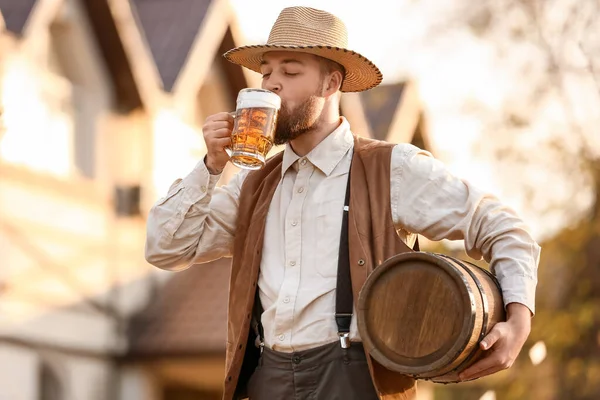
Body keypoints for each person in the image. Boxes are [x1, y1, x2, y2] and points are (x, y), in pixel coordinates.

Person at [145, 6, 540, 400]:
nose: (272, 85)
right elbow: (164, 247)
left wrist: (518, 322)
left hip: (357, 380)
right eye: (266, 72)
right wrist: (211, 166)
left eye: (291, 71)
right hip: (267, 379)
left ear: (331, 83)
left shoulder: (392, 168)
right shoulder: (252, 185)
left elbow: (503, 228)